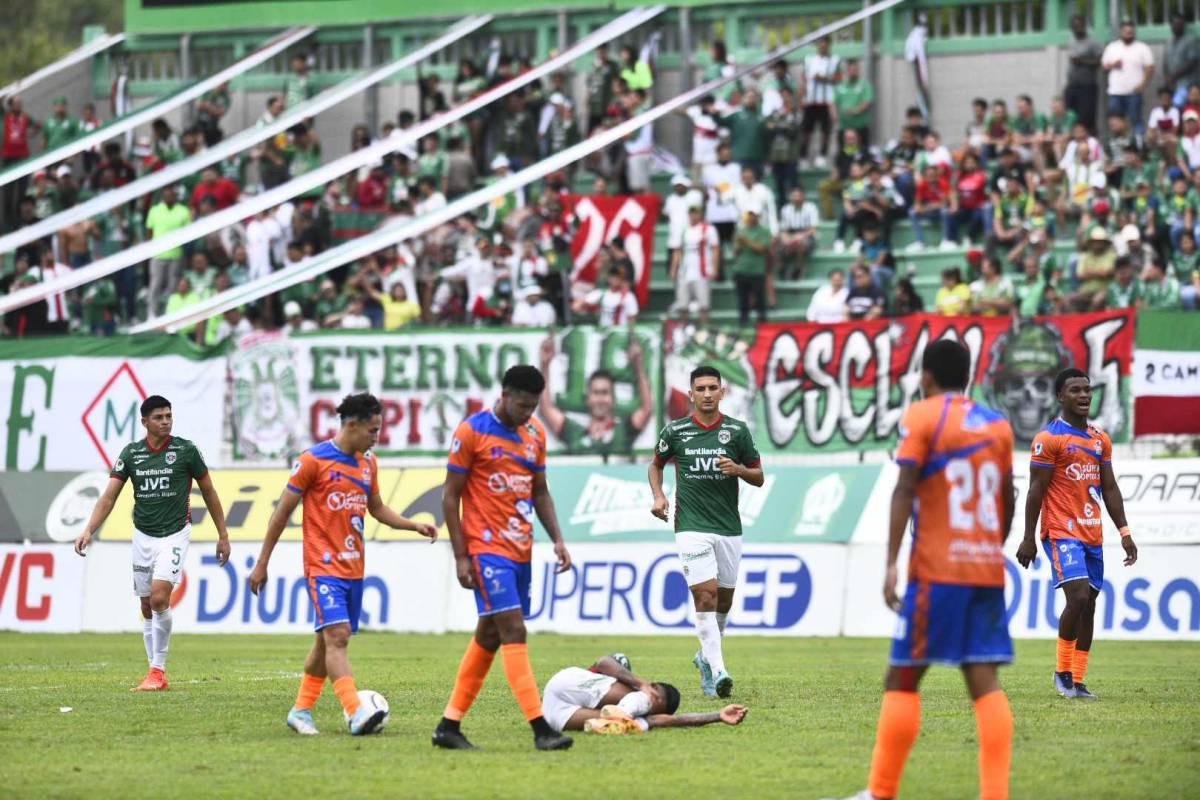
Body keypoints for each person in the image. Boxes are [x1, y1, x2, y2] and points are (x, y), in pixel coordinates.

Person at [835, 339, 1016, 800]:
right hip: (985, 569)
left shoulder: (922, 416)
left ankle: (880, 792)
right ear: (970, 376)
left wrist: (892, 563)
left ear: (926, 376)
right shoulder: (998, 426)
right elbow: (1008, 498)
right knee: (983, 679)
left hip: (938, 571)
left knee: (903, 675)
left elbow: (904, 489)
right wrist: (991, 547)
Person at [249, 393, 436, 735]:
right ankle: (356, 712)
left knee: (325, 643)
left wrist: (413, 524)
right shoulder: (313, 461)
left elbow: (377, 509)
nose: (376, 437)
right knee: (338, 637)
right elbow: (282, 513)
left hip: (354, 569)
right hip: (322, 567)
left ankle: (301, 711)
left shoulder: (368, 464)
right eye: (373, 430)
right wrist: (262, 563)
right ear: (351, 425)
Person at [432, 366, 574, 752]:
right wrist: (461, 556)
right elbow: (449, 495)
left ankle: (448, 725)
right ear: (505, 393)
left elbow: (540, 491)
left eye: (533, 407)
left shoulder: (535, 435)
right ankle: (541, 728)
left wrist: (558, 539)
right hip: (485, 549)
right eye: (522, 405)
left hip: (520, 550)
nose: (527, 413)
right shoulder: (472, 431)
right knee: (513, 630)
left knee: (490, 635)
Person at [73, 396, 231, 691]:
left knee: (159, 598)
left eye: (169, 415)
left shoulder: (186, 450)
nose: (166, 421)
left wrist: (223, 534)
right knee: (146, 605)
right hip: (142, 535)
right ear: (144, 422)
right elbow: (109, 497)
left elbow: (209, 491)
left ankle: (158, 671)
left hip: (175, 533)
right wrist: (88, 529)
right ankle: (153, 673)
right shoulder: (131, 454)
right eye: (158, 417)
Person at [1016, 369, 1137, 701]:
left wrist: (1124, 531)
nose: (1083, 396)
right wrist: (1029, 537)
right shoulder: (1048, 439)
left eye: (1087, 390)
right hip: (1059, 531)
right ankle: (1062, 672)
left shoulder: (1100, 439)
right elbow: (1035, 490)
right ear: (1059, 396)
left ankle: (1078, 681)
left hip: (1092, 533)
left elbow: (1109, 488)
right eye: (1075, 390)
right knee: (1079, 597)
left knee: (1090, 606)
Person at [648, 365, 763, 699]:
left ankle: (704, 658)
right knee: (705, 596)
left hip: (728, 527)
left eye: (713, 388)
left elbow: (758, 476)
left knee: (723, 600)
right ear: (691, 394)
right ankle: (719, 671)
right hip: (690, 526)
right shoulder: (676, 431)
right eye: (701, 389)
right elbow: (655, 464)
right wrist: (659, 495)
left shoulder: (738, 432)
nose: (708, 394)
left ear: (722, 392)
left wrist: (739, 469)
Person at [542, 654, 747, 735]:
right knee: (639, 705)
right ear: (655, 686)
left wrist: (718, 715)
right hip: (568, 681)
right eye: (658, 700)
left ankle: (617, 720)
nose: (654, 705)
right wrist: (643, 685)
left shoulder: (647, 717)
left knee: (633, 724)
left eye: (658, 707)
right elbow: (604, 662)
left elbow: (675, 720)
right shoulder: (640, 689)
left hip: (552, 712)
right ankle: (620, 716)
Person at [539, 334, 653, 457]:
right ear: (587, 399)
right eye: (595, 393)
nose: (600, 399)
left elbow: (646, 409)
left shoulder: (623, 432)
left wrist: (639, 366)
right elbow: (546, 408)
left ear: (613, 399)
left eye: (605, 393)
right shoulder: (574, 433)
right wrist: (545, 365)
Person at [1101, 20, 1155, 137]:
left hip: (1134, 93)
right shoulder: (1112, 47)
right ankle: (1117, 145)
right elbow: (1104, 67)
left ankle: (1138, 146)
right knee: (1115, 123)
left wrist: (1143, 85)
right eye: (1126, 32)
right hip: (1115, 92)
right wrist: (1112, 65)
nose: (1128, 34)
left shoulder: (1142, 48)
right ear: (1121, 32)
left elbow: (1150, 67)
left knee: (1136, 120)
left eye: (1131, 32)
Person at [145, 187, 193, 317]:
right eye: (166, 195)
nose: (169, 198)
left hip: (176, 254)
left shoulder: (183, 211)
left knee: (173, 286)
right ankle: (152, 313)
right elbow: (149, 232)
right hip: (158, 255)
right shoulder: (154, 211)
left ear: (176, 197)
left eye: (172, 195)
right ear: (162, 197)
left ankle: (169, 313)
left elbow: (188, 233)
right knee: (155, 284)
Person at [670, 204, 719, 326]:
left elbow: (715, 249)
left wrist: (714, 268)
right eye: (691, 213)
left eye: (696, 213)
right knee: (683, 305)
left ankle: (704, 331)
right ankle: (685, 331)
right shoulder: (684, 229)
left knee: (703, 305)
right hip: (685, 271)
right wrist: (673, 269)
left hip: (701, 271)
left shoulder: (708, 229)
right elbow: (678, 250)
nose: (693, 215)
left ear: (701, 214)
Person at [800, 35, 842, 167]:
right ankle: (804, 156)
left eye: (825, 43)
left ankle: (822, 155)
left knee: (826, 131)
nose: (823, 45)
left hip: (826, 101)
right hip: (810, 101)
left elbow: (839, 79)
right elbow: (803, 79)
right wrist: (802, 97)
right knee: (806, 131)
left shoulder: (835, 60)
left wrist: (824, 79)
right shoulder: (809, 60)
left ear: (829, 45)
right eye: (820, 43)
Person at [731, 207, 773, 326]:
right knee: (742, 301)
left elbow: (761, 249)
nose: (751, 217)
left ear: (758, 217)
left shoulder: (764, 231)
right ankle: (743, 325)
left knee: (760, 302)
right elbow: (736, 252)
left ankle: (763, 327)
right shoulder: (741, 230)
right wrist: (738, 244)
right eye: (749, 215)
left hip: (757, 271)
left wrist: (746, 241)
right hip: (741, 270)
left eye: (753, 215)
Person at [1065, 15, 1103, 133]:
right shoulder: (1071, 41)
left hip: (1087, 87)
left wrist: (1082, 61)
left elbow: (1100, 62)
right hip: (1072, 86)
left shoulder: (1093, 42)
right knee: (1071, 118)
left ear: (1084, 26)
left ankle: (1091, 145)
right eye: (1075, 26)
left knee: (1086, 119)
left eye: (1080, 25)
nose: (1078, 28)